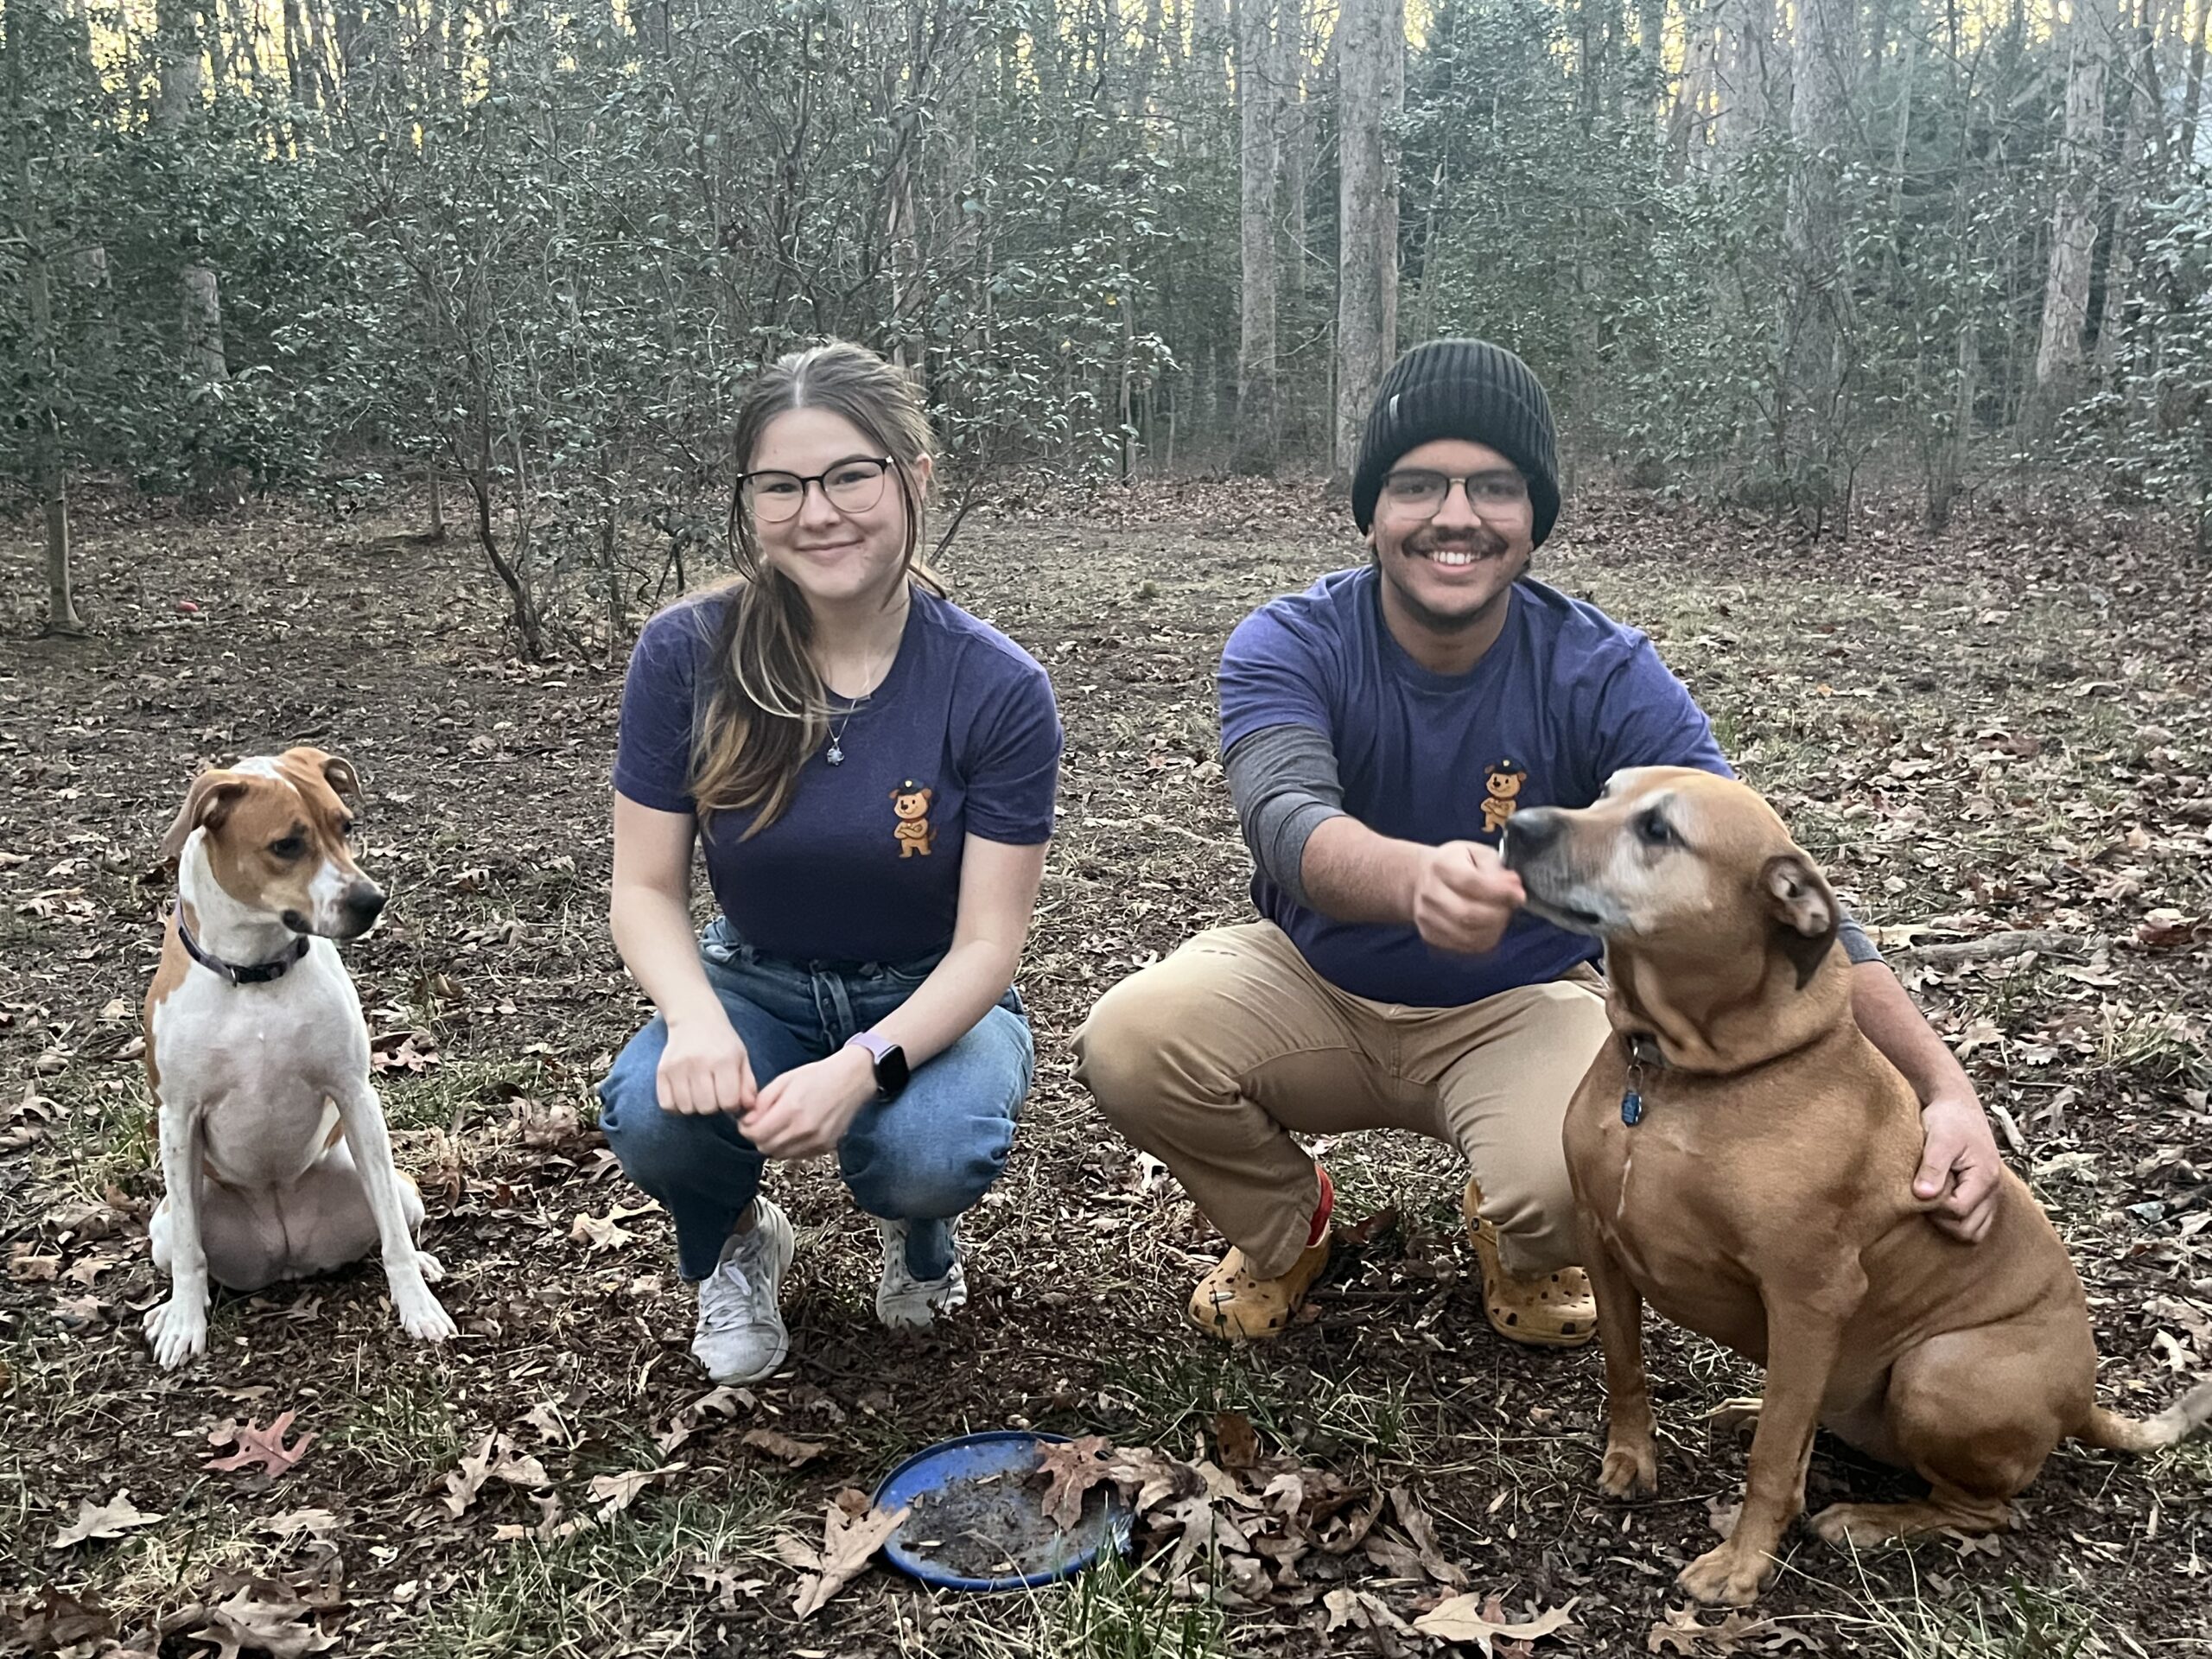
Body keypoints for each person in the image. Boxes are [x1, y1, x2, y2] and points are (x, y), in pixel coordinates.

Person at [1074, 339, 2002, 1348]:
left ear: (1532, 519)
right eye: (1417, 484)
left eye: (1494, 487)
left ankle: (1518, 1236)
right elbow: (1284, 817)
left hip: (1520, 1000)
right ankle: (1288, 1229)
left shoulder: (1602, 671)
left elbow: (1761, 886)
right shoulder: (1291, 641)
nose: (1456, 516)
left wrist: (1941, 1088)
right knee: (1132, 1043)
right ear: (1372, 512)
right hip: (1311, 978)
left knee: (1574, 1170)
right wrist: (1413, 878)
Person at [597, 341, 1062, 1384]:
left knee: (929, 1152)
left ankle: (919, 1230)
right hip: (752, 978)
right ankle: (736, 1239)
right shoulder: (687, 653)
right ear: (748, 500)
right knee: (654, 1115)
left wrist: (862, 1067)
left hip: (930, 989)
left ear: (915, 478)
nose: (818, 513)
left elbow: (989, 944)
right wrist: (696, 1019)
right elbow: (643, 889)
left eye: (851, 475)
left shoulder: (995, 686)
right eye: (782, 485)